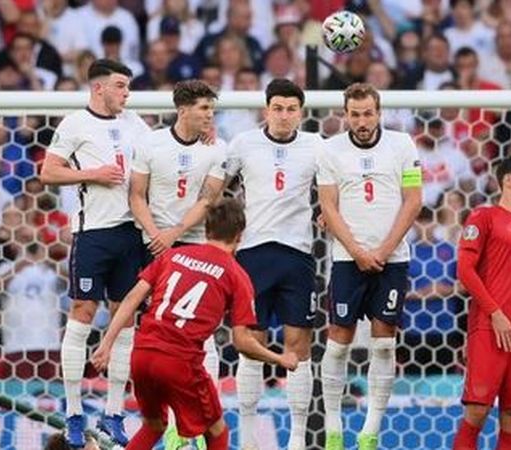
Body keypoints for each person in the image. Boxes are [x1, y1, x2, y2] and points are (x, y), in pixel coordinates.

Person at [91, 199, 299, 450]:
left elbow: (133, 298)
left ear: (207, 229)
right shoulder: (236, 275)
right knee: (218, 433)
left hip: (143, 354)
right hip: (180, 362)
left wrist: (107, 343)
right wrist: (280, 359)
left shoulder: (173, 256)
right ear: (240, 236)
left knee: (153, 426)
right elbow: (243, 343)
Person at [38, 58, 151, 447]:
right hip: (92, 234)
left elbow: (160, 156)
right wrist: (92, 174)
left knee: (126, 319)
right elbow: (48, 172)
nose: (126, 93)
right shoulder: (74, 124)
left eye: (127, 86)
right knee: (83, 313)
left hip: (130, 233)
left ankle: (114, 413)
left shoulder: (136, 124)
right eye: (120, 85)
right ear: (98, 88)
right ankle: (72, 413)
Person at [319, 82, 423, 450]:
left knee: (383, 345)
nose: (361, 121)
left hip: (392, 259)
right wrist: (358, 250)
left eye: (368, 113)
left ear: (378, 113)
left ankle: (369, 432)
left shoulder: (402, 145)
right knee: (338, 345)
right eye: (355, 114)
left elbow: (414, 201)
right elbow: (328, 206)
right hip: (348, 258)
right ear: (344, 115)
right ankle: (333, 429)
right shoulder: (329, 149)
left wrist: (384, 248)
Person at [129, 78, 226, 449]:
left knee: (202, 334)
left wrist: (175, 234)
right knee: (158, 332)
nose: (209, 115)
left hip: (194, 243)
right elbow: (137, 195)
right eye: (204, 108)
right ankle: (167, 425)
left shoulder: (218, 151)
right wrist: (157, 234)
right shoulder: (151, 143)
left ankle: (196, 429)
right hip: (153, 245)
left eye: (211, 109)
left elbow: (207, 199)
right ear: (183, 109)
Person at [226, 78, 323, 450]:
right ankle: (248, 439)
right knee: (251, 344)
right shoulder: (243, 144)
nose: (284, 116)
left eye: (291, 109)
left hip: (297, 255)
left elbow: (336, 186)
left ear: (301, 112)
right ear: (267, 110)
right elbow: (217, 187)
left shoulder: (316, 146)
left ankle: (297, 440)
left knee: (298, 346)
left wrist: (329, 214)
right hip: (252, 254)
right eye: (278, 108)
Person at [452, 155, 511, 450]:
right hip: (491, 327)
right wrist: (494, 312)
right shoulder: (484, 216)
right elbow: (464, 270)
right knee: (478, 410)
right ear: (509, 180)